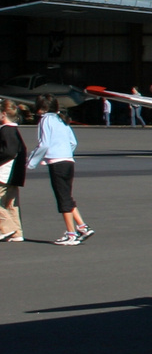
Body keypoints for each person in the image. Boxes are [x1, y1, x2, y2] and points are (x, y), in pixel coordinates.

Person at [27, 96, 91, 245]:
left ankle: (71, 234)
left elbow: (43, 144)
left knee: (62, 198)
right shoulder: (62, 120)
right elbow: (73, 142)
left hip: (57, 163)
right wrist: (64, 153)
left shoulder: (45, 120)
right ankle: (82, 226)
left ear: (41, 108)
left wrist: (31, 162)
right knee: (67, 195)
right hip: (68, 161)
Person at [0, 101, 25, 242]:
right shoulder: (14, 130)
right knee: (11, 203)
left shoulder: (6, 130)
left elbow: (9, 152)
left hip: (4, 172)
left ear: (3, 114)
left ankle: (8, 228)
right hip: (13, 174)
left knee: (5, 202)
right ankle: (17, 232)